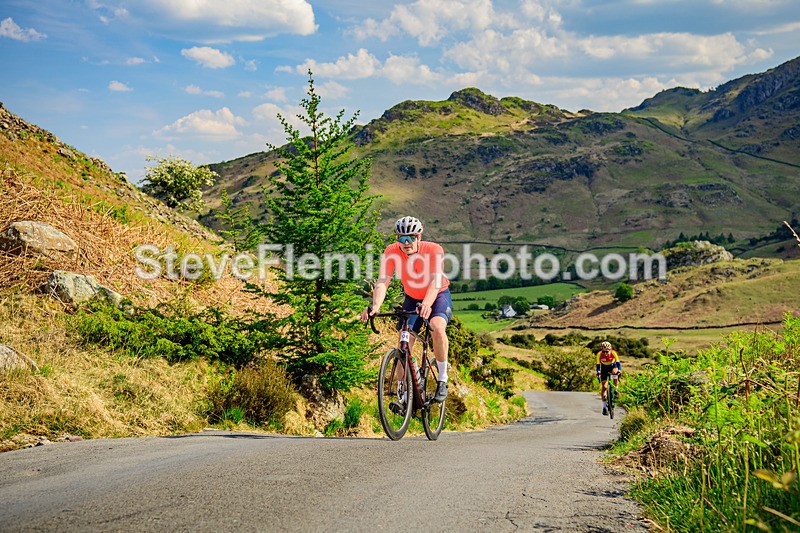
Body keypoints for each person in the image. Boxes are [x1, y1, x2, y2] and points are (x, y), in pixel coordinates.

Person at [361, 216, 452, 402]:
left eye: (410, 237)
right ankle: (403, 392)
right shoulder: (392, 252)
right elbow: (383, 281)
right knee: (404, 340)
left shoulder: (434, 250)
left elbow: (435, 281)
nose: (406, 243)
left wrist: (427, 303)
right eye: (401, 239)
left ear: (419, 236)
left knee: (437, 326)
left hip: (438, 295)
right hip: (412, 298)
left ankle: (442, 379)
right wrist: (376, 306)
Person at [596, 341, 621, 415]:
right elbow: (598, 366)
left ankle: (616, 389)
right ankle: (604, 408)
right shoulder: (599, 354)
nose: (605, 353)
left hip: (612, 366)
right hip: (604, 368)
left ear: (610, 350)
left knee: (615, 373)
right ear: (601, 350)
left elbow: (618, 364)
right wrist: (598, 372)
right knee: (604, 387)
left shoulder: (613, 353)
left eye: (607, 351)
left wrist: (619, 370)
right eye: (604, 352)